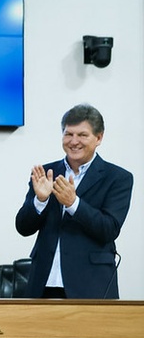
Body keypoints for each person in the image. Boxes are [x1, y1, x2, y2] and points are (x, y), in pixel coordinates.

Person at [15, 104, 133, 299]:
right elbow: (22, 227)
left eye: (82, 135)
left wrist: (73, 204)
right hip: (44, 282)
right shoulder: (46, 173)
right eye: (68, 134)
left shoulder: (118, 177)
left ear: (99, 138)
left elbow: (109, 229)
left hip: (91, 285)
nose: (74, 141)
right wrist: (40, 200)